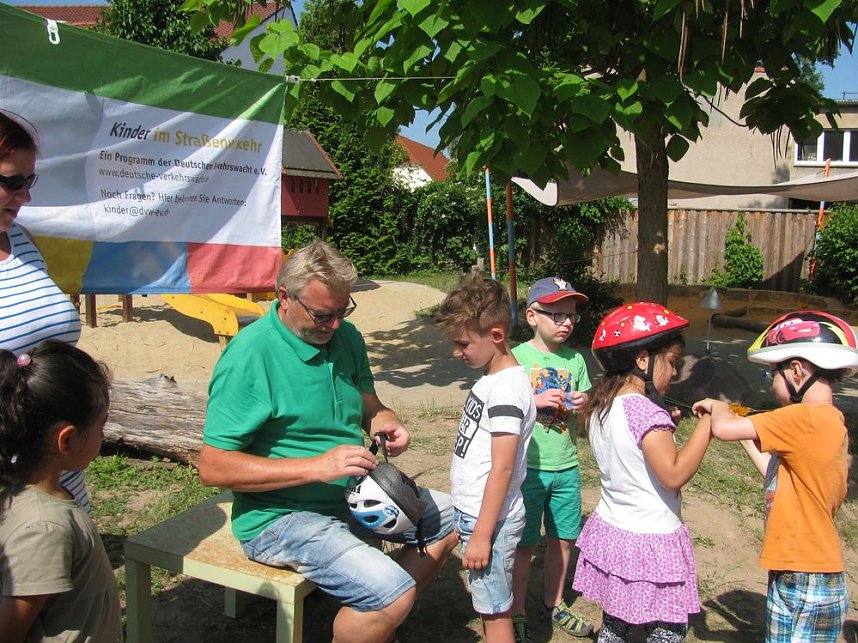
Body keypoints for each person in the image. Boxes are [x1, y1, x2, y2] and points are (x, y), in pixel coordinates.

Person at [198, 241, 457, 643]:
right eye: (322, 315)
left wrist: (385, 420)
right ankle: (383, 608)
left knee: (454, 518)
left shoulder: (346, 337)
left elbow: (367, 400)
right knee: (393, 595)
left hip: (352, 495)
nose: (334, 325)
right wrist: (318, 467)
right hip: (279, 518)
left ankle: (377, 617)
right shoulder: (249, 357)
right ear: (284, 297)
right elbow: (213, 467)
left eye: (342, 311)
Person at [692, 310, 858, 643]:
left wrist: (715, 403)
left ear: (797, 371)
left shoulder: (800, 417)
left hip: (802, 569)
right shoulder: (828, 421)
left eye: (772, 375)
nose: (771, 383)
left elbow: (723, 428)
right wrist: (747, 438)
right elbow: (777, 473)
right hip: (812, 567)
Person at [573, 302, 713, 642]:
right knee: (666, 629)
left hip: (616, 533)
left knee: (616, 625)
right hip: (652, 540)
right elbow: (673, 474)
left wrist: (666, 430)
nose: (676, 373)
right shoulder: (646, 414)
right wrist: (708, 424)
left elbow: (632, 458)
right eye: (672, 362)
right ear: (642, 360)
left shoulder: (602, 404)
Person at [434, 276, 536, 643]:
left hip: (487, 522)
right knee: (492, 606)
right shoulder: (496, 380)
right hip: (478, 515)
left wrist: (480, 536)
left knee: (494, 615)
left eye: (462, 344)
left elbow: (503, 468)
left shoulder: (505, 388)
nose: (456, 352)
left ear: (495, 336)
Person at [0, 340, 121, 642]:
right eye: (100, 426)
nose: (102, 435)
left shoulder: (31, 495)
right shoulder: (45, 529)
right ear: (66, 440)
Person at [0, 111, 89, 512]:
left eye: (29, 181)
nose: (26, 196)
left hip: (60, 478)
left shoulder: (19, 238)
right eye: (12, 182)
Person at [509, 277, 594, 642]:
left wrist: (585, 403)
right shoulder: (515, 358)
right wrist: (535, 402)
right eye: (556, 315)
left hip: (567, 466)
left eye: (571, 316)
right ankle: (516, 611)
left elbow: (588, 399)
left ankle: (554, 602)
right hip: (528, 469)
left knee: (563, 540)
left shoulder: (575, 359)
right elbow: (502, 406)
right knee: (525, 543)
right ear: (532, 316)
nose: (566, 323)